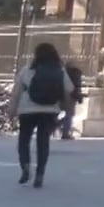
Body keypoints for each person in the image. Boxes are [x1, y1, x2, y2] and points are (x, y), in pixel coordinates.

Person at [12, 43, 70, 189]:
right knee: (43, 142)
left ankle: (25, 166)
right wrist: (66, 108)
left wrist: (12, 109)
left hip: (27, 110)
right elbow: (69, 90)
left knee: (24, 139)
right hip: (50, 110)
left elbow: (16, 91)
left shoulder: (27, 70)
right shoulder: (60, 71)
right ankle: (40, 174)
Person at [58, 62, 84, 141]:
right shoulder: (77, 73)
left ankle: (56, 124)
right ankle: (65, 133)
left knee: (57, 111)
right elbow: (78, 86)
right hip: (71, 93)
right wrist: (79, 96)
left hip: (61, 93)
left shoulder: (62, 72)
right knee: (69, 114)